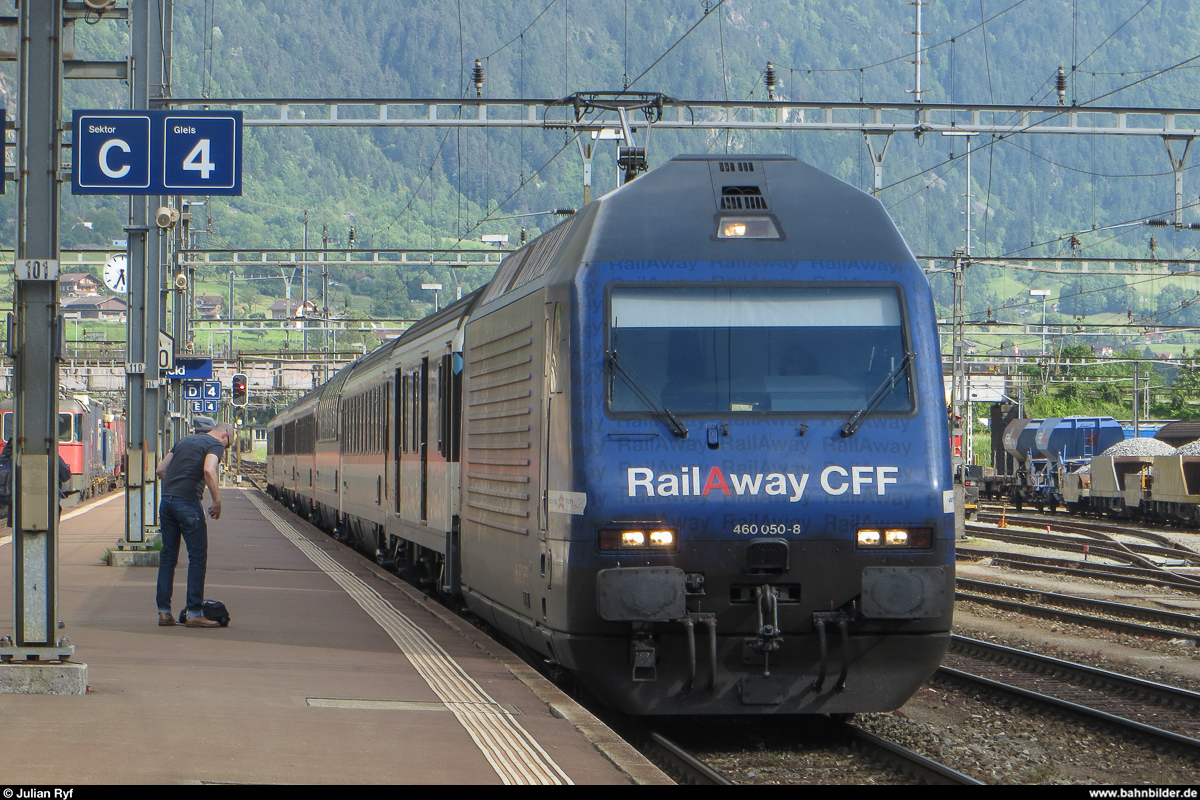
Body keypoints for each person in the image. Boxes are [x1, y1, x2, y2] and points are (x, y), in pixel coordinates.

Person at [155, 416, 233, 628]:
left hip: (167, 502)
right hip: (188, 503)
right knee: (197, 558)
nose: (225, 451)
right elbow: (209, 470)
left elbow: (161, 470)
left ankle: (164, 612)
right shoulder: (215, 445)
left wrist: (177, 483)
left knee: (168, 557)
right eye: (229, 444)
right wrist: (217, 501)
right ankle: (195, 613)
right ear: (225, 435)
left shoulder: (183, 441)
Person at [0, 438, 72, 527]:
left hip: (18, 509)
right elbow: (65, 475)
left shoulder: (11, 453)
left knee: (19, 533)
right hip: (46, 508)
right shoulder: (50, 454)